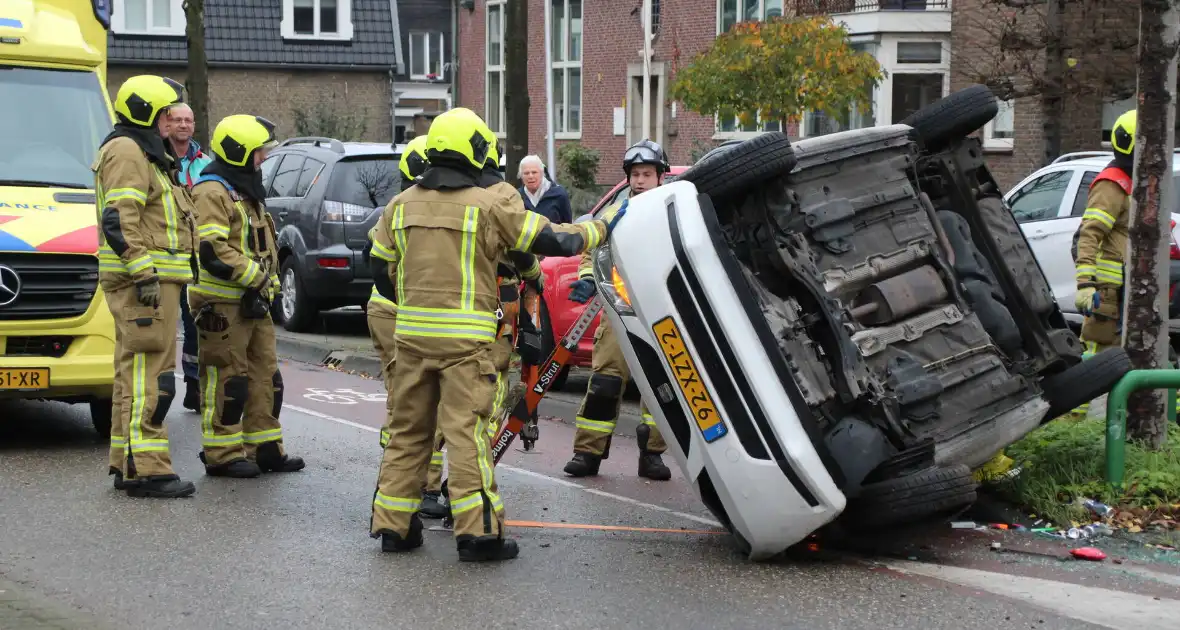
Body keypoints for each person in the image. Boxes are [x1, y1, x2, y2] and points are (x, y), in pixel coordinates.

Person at [367, 106, 620, 561]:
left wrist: (414, 308)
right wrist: (601, 228)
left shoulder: (400, 205)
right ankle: (479, 535)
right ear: (473, 150)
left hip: (411, 341)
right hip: (466, 347)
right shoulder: (491, 201)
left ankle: (395, 528)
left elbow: (379, 266)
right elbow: (552, 241)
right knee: (466, 435)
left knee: (408, 432)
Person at [94, 74, 197, 498]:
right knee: (148, 374)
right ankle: (147, 469)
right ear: (145, 114)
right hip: (146, 283)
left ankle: (126, 461)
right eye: (162, 115)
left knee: (132, 372)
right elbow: (120, 218)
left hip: (152, 280)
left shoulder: (139, 151)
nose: (166, 124)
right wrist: (144, 272)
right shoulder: (128, 151)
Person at [187, 114, 306, 478]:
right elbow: (212, 248)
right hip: (223, 304)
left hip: (253, 302)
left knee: (265, 377)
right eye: (258, 153)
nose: (264, 159)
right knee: (228, 379)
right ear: (239, 153)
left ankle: (265, 448)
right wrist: (256, 277)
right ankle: (222, 453)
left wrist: (264, 283)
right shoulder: (212, 191)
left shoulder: (243, 189)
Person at [563, 139, 673, 481]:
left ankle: (652, 454)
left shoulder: (671, 214)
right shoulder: (615, 214)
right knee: (605, 384)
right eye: (635, 174)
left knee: (661, 387)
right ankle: (588, 454)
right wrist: (587, 279)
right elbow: (590, 252)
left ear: (660, 177)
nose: (640, 180)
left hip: (660, 313)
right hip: (618, 312)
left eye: (647, 174)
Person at [366, 134, 451, 518]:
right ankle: (414, 488)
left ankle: (401, 488)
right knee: (411, 404)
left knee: (410, 403)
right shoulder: (407, 209)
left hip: (401, 313)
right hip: (395, 315)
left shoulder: (402, 206)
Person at [165, 103, 214, 411]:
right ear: (167, 124)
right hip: (166, 252)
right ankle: (159, 383)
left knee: (195, 320)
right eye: (177, 120)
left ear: (194, 126)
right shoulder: (155, 158)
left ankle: (194, 384)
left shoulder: (205, 164)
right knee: (164, 323)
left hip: (196, 254)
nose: (183, 125)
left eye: (188, 120)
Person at [519, 155, 572, 224]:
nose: (530, 176)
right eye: (526, 173)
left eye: (534, 172)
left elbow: (568, 226)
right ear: (521, 176)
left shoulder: (559, 194)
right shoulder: (517, 197)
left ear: (542, 173)